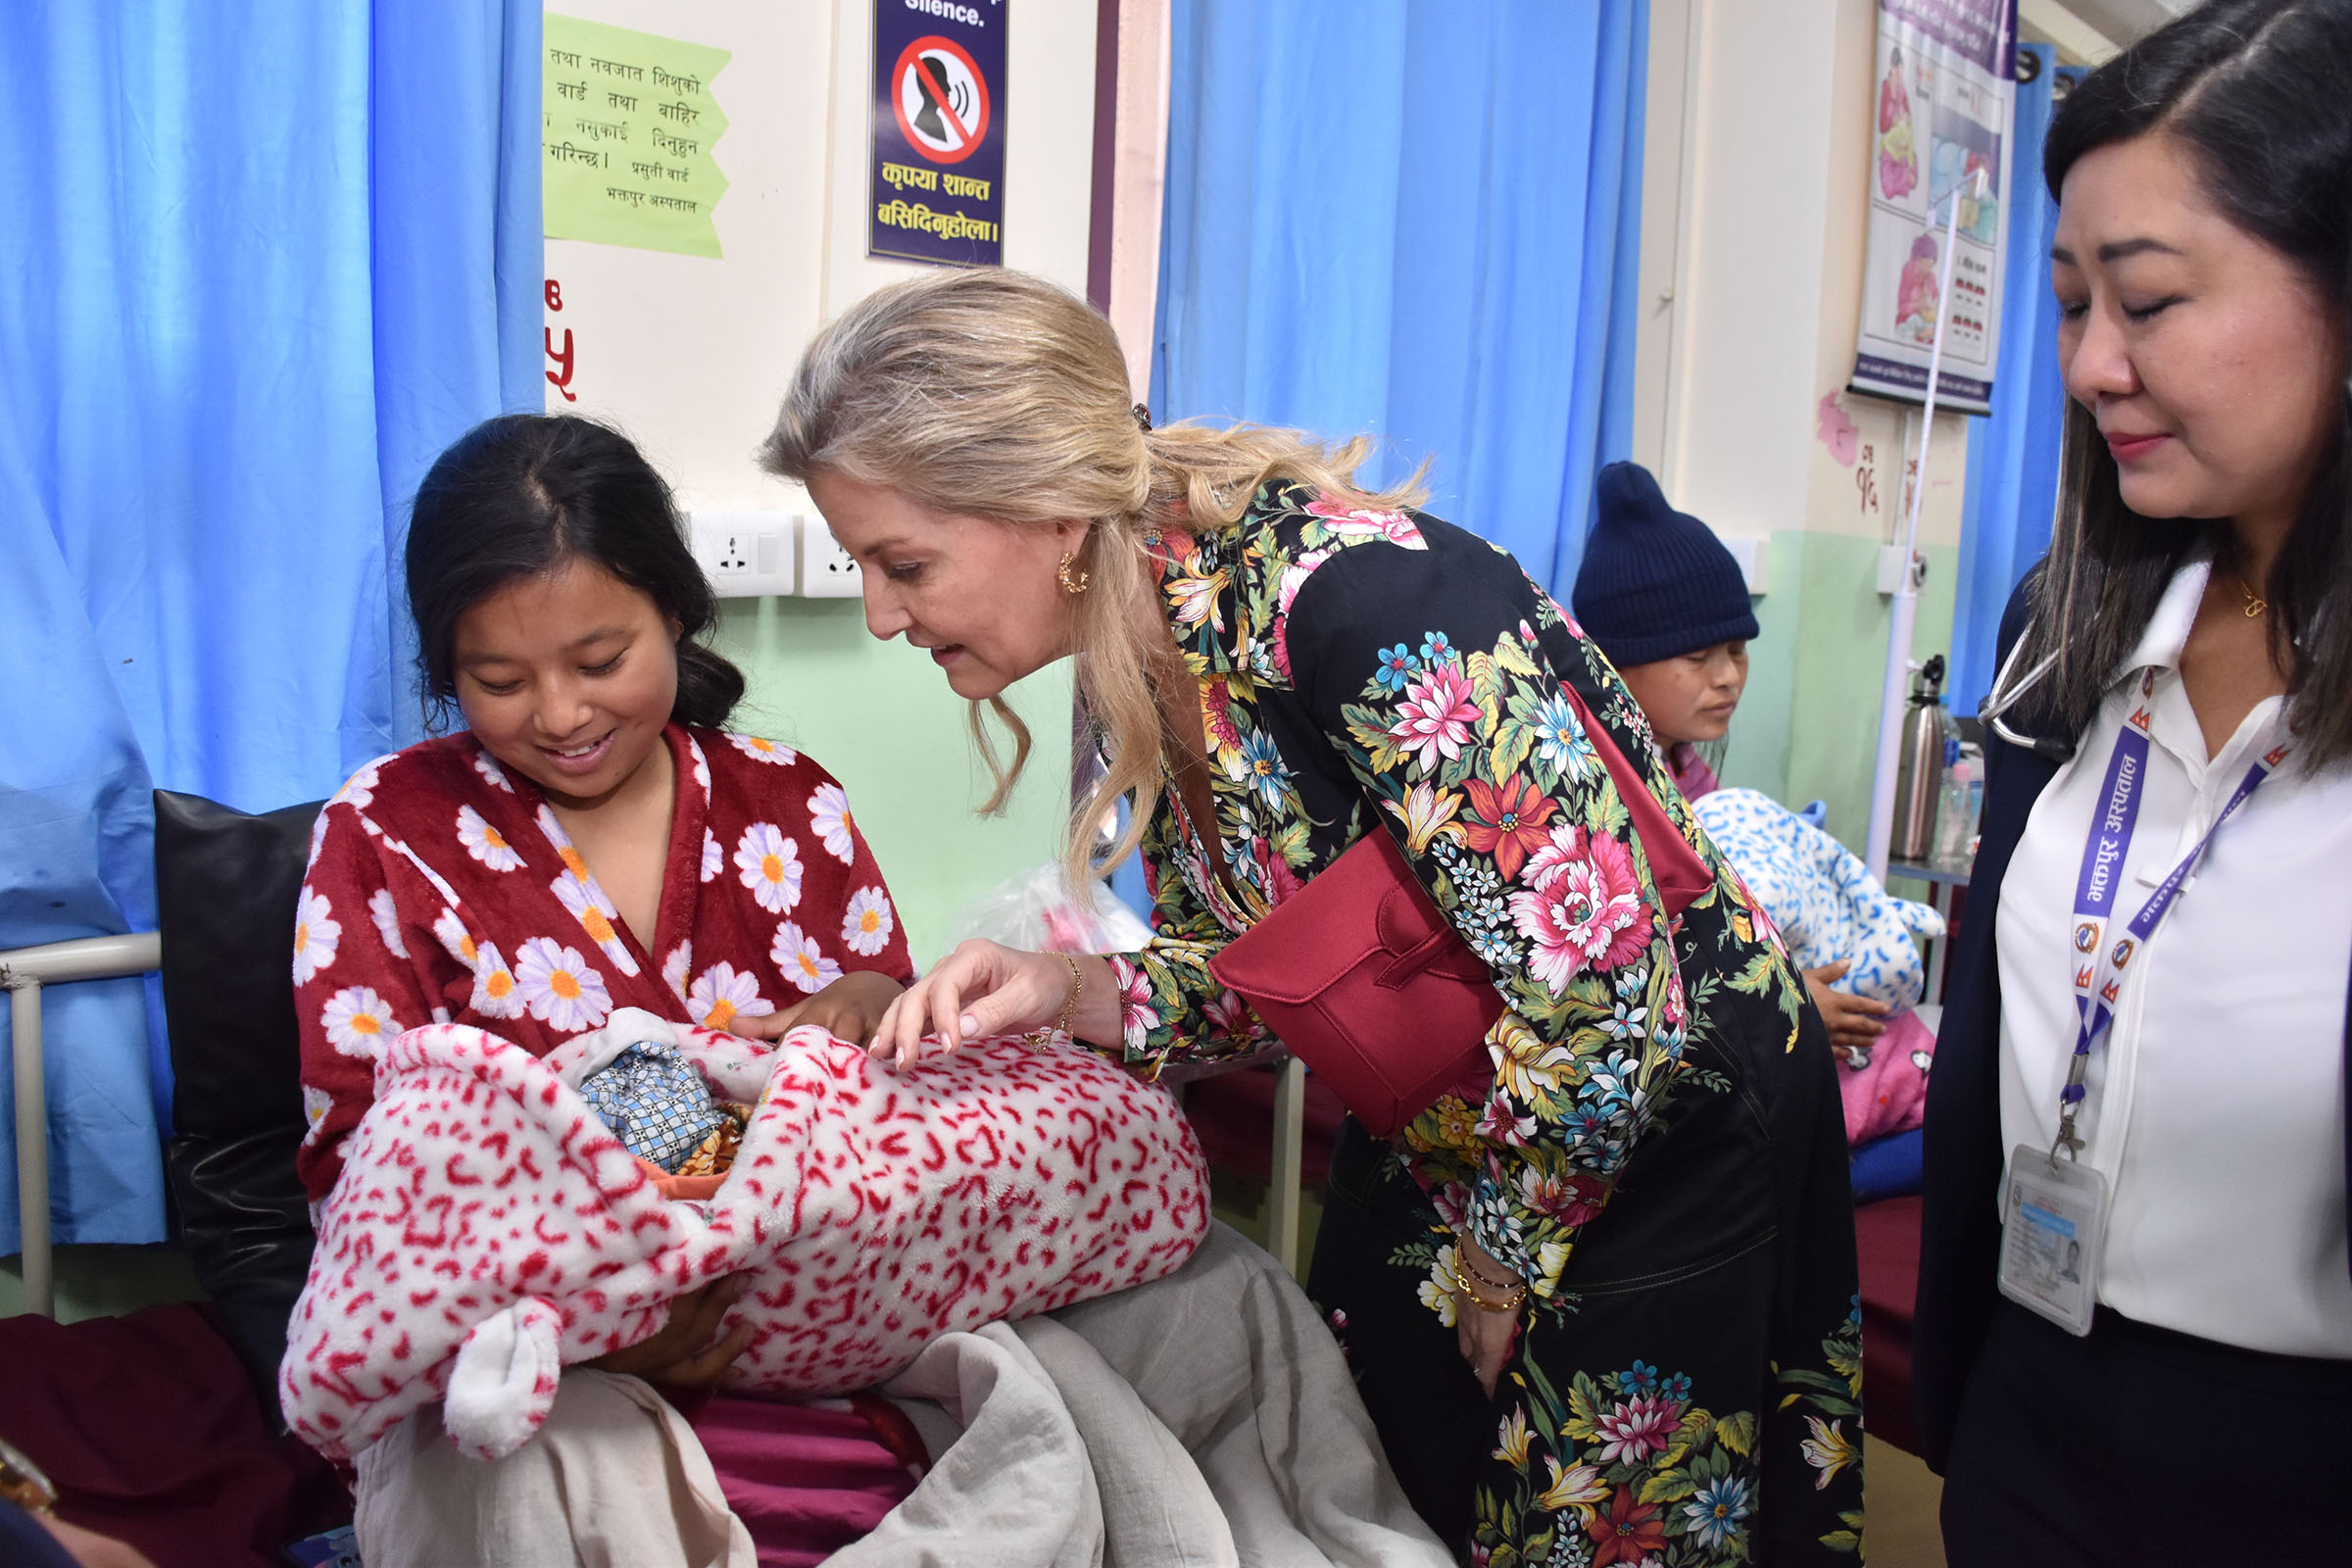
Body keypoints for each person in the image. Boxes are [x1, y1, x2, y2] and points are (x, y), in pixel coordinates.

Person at [760, 268, 1864, 1563]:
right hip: (1456, 1111)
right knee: (1368, 1471)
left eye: (903, 566)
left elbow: (1605, 994)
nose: (884, 615)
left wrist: (1502, 1263)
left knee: (1573, 1515)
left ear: (1047, 512)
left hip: (1645, 1124)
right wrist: (1069, 990)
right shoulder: (1161, 626)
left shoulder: (1362, 608)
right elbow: (1273, 969)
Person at [293, 414, 918, 1565]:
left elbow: (907, 1117)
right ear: (445, 670)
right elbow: (363, 1174)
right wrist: (602, 1323)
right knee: (536, 1477)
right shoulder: (386, 835)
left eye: (600, 661)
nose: (565, 715)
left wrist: (875, 1001)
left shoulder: (792, 806)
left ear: (676, 610)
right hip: (518, 1359)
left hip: (799, 1332)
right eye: (499, 680)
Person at [1914, 4, 2352, 1563]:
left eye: (2153, 302)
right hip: (2037, 1409)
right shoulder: (2074, 624)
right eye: (2070, 300)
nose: (2095, 366)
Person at [1572, 461, 1902, 1062]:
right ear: (1614, 663)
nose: (1728, 677)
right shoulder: (1591, 800)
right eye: (1698, 656)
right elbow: (1620, 990)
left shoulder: (1687, 775)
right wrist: (1783, 1008)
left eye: (1737, 650)